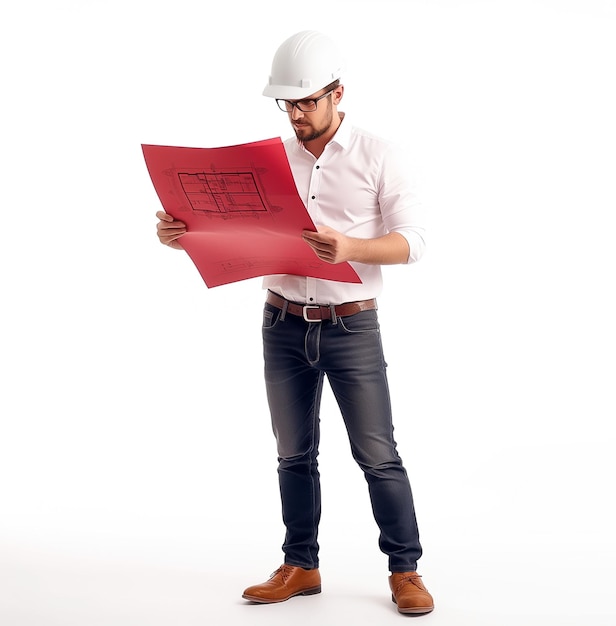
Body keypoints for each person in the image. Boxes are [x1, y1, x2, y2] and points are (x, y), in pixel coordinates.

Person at [156, 30, 434, 615]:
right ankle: (300, 565)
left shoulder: (381, 155)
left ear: (338, 94)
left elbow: (414, 243)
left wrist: (349, 247)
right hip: (280, 323)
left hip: (351, 326)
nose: (298, 113)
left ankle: (405, 569)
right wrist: (183, 236)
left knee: (377, 453)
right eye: (289, 103)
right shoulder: (268, 158)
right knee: (292, 454)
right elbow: (239, 229)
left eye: (308, 101)